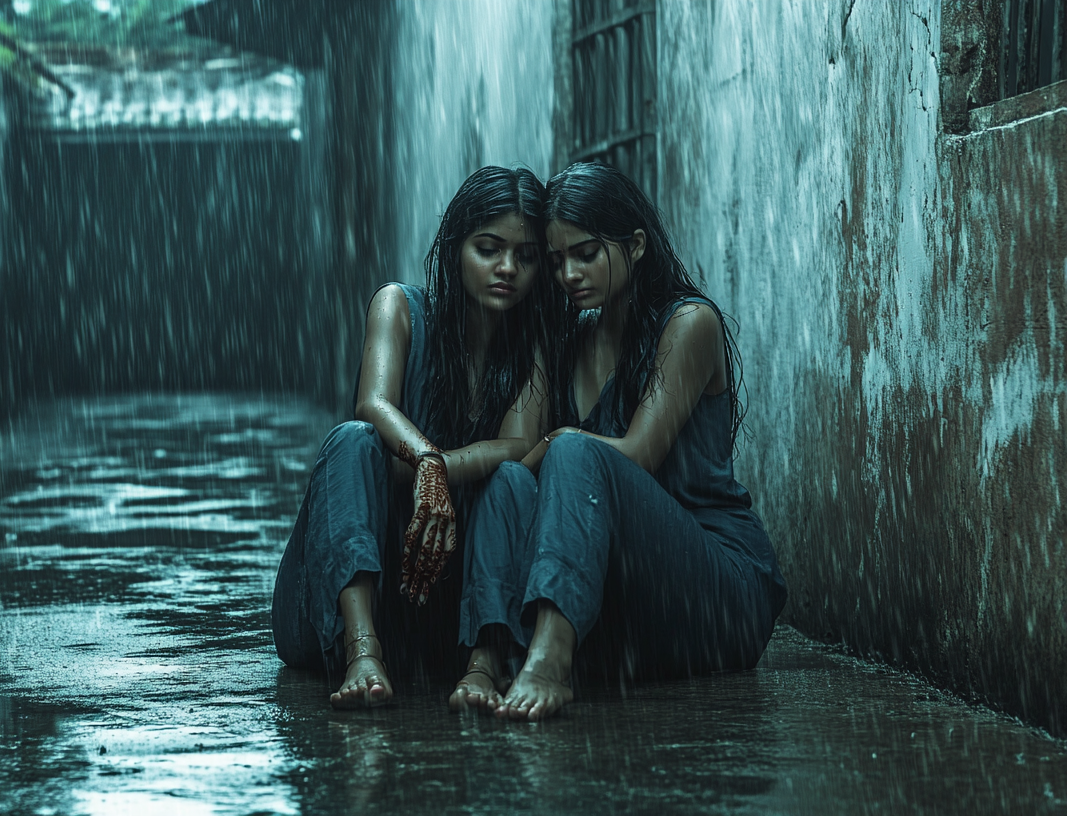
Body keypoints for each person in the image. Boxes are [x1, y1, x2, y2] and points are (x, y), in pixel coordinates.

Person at [455, 162, 789, 720]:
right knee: (509, 478)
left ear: (634, 246)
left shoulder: (689, 324)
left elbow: (637, 455)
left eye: (586, 254)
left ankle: (548, 666)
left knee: (571, 449)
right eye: (557, 261)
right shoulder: (566, 339)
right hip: (634, 606)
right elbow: (514, 450)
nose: (568, 276)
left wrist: (559, 442)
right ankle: (484, 660)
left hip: (716, 597)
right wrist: (432, 469)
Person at [271, 166, 551, 708]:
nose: (508, 268)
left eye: (527, 256)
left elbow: (519, 446)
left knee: (514, 479)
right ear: (454, 246)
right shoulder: (398, 308)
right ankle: (361, 650)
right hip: (332, 609)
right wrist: (426, 463)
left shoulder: (534, 343)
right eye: (488, 249)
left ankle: (485, 662)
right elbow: (373, 405)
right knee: (351, 440)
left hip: (444, 614)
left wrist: (440, 472)